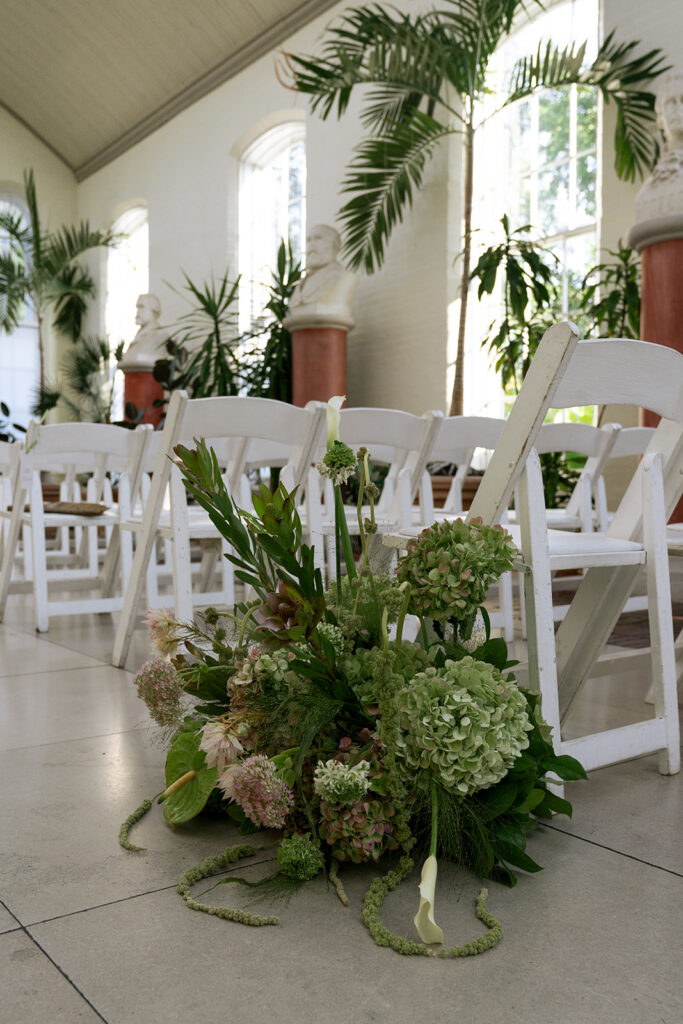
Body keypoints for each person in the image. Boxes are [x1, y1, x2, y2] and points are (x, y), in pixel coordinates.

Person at [288, 224, 356, 327]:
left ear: (334, 245)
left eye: (318, 239)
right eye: (308, 240)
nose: (311, 245)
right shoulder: (302, 282)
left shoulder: (343, 277)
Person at [118, 293, 170, 370]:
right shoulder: (139, 335)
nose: (137, 312)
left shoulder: (159, 335)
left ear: (154, 310)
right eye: (137, 308)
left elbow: (135, 357)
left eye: (141, 307)